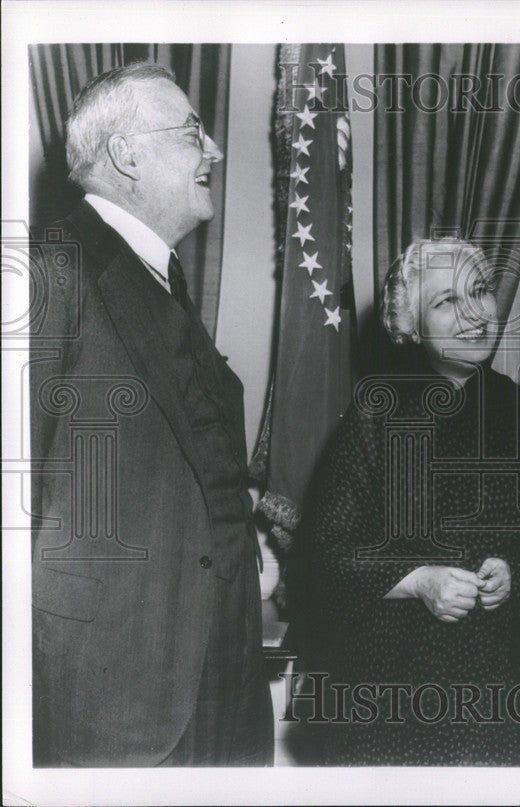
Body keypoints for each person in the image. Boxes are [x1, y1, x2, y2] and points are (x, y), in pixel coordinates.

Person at [31, 62, 273, 766]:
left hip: (219, 684)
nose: (216, 151)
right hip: (119, 701)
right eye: (194, 131)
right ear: (126, 154)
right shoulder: (50, 272)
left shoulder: (162, 279)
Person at [287, 238, 520, 765]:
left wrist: (514, 572)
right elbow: (322, 555)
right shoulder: (377, 413)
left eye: (479, 291)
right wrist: (419, 581)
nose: (472, 313)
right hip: (390, 693)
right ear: (411, 326)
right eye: (445, 302)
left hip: (500, 698)